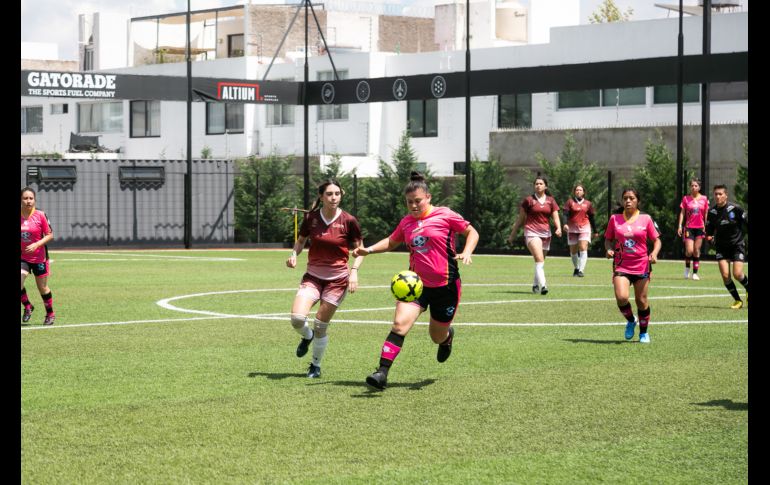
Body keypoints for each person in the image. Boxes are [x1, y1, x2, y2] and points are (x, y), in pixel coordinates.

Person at [353, 172, 479, 390]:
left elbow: (472, 232)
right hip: (415, 286)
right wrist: (369, 249)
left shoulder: (445, 215)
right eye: (409, 202)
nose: (413, 205)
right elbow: (392, 242)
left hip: (446, 287)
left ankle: (447, 338)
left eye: (418, 201)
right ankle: (381, 373)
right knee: (399, 325)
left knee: (436, 336)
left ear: (428, 197)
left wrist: (467, 251)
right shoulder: (406, 222)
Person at [286, 179, 365, 379]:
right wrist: (294, 254)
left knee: (321, 325)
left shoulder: (349, 220)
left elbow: (360, 250)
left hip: (337, 280)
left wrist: (354, 270)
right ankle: (307, 336)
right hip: (312, 276)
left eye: (337, 193)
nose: (334, 197)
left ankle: (315, 365)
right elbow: (301, 241)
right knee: (297, 319)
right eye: (329, 194)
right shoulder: (312, 218)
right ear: (321, 197)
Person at [604, 188, 662, 343]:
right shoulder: (614, 219)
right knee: (622, 297)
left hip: (641, 265)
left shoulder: (646, 219)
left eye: (631, 198)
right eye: (625, 198)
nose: (628, 201)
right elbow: (608, 239)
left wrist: (654, 253)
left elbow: (657, 240)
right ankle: (630, 320)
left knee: (641, 300)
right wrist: (609, 249)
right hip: (621, 265)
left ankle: (643, 333)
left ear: (638, 201)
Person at [507, 176, 562, 295]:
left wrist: (558, 228)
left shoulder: (551, 200)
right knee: (539, 259)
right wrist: (513, 234)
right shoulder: (528, 200)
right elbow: (520, 219)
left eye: (541, 184)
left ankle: (535, 284)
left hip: (546, 233)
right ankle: (544, 286)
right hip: (531, 232)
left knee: (540, 262)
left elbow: (555, 216)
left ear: (545, 186)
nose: (538, 185)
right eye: (536, 184)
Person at [705, 185, 748, 309]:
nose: (718, 197)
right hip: (722, 247)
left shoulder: (735, 209)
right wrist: (709, 238)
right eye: (716, 194)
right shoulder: (712, 213)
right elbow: (709, 231)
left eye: (720, 194)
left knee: (738, 274)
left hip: (737, 245)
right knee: (725, 275)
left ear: (726, 195)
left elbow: (745, 223)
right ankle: (737, 301)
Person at [20, 187, 56, 325]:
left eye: (31, 198)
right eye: (25, 198)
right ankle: (28, 307)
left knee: (42, 288)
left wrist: (36, 245)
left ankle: (50, 314)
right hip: (23, 258)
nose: (28, 201)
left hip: (39, 257)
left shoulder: (40, 215)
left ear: (34, 200)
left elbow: (50, 235)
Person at [562, 183, 599, 277]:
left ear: (584, 192)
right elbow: (565, 214)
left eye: (580, 190)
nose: (578, 191)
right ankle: (576, 268)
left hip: (585, 228)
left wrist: (595, 231)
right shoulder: (570, 202)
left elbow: (592, 217)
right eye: (576, 190)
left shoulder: (588, 203)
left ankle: (581, 271)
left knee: (583, 247)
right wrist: (565, 224)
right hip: (572, 229)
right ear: (574, 192)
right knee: (573, 251)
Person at [677, 178, 709, 280]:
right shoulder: (686, 198)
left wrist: (706, 225)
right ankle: (687, 269)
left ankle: (695, 273)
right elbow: (682, 213)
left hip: (700, 228)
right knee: (689, 250)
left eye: (696, 186)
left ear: (699, 187)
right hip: (689, 228)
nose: (694, 187)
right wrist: (680, 226)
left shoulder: (704, 199)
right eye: (692, 185)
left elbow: (706, 213)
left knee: (696, 250)